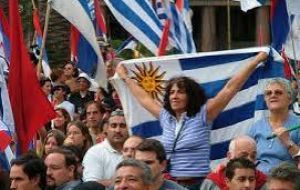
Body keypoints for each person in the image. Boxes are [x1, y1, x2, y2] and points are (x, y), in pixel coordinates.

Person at [117, 52, 268, 189]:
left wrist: (255, 61)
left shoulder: (204, 114)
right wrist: (125, 78)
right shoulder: (166, 118)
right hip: (171, 183)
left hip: (200, 184)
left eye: (181, 92)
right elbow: (144, 98)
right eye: (171, 92)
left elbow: (230, 88)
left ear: (191, 96)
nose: (174, 96)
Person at [248, 78, 300, 174]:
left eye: (278, 92)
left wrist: (288, 142)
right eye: (268, 93)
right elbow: (246, 159)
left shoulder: (298, 124)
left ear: (289, 99)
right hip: (258, 181)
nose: (273, 95)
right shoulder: (257, 127)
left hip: (287, 181)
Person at [82, 109, 129, 187]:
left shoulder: (137, 151)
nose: (118, 130)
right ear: (107, 129)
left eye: (122, 126)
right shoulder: (95, 152)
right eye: (113, 126)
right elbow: (91, 186)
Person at [200, 136, 267, 190]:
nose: (249, 160)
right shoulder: (212, 182)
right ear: (229, 156)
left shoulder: (263, 182)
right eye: (243, 155)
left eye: (253, 156)